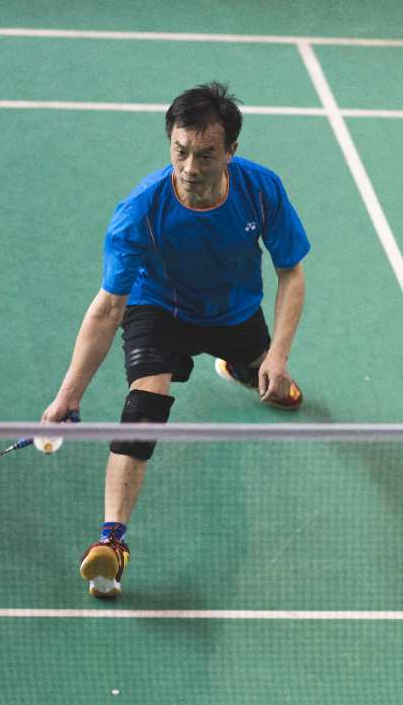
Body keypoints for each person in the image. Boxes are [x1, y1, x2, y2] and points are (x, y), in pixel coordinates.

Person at [41, 82, 310, 598]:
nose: (189, 167)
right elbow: (108, 307)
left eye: (205, 155)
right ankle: (111, 540)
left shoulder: (260, 189)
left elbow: (291, 273)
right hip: (159, 309)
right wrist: (68, 396)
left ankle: (242, 365)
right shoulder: (140, 210)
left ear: (231, 151)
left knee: (264, 373)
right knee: (145, 403)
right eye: (180, 151)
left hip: (233, 311)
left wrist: (277, 356)